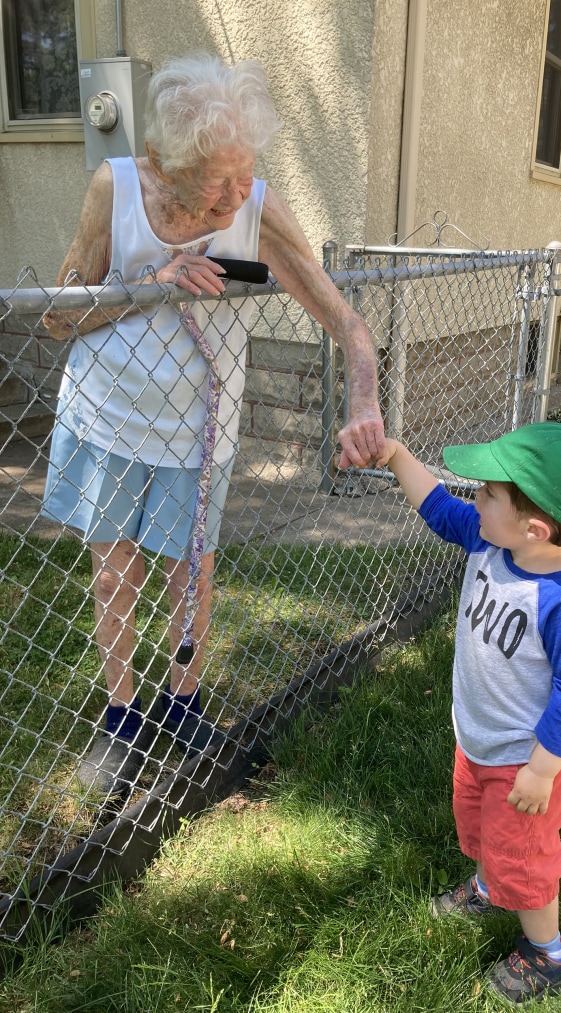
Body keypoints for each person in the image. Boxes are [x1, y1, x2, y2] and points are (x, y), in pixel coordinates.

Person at [41, 52, 385, 799]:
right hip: (110, 412)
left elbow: (349, 324)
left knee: (191, 570)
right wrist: (146, 287)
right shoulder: (119, 189)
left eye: (246, 172)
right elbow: (59, 313)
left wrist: (364, 401)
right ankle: (122, 715)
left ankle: (184, 700)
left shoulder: (258, 208)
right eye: (218, 180)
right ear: (167, 163)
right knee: (113, 572)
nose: (237, 195)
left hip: (199, 430)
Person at [371, 421, 561, 1004]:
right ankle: (488, 884)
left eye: (486, 494)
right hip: (479, 742)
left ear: (534, 527)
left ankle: (549, 953)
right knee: (484, 829)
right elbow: (436, 507)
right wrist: (395, 454)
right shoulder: (491, 540)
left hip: (526, 762)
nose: (473, 499)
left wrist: (541, 769)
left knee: (527, 862)